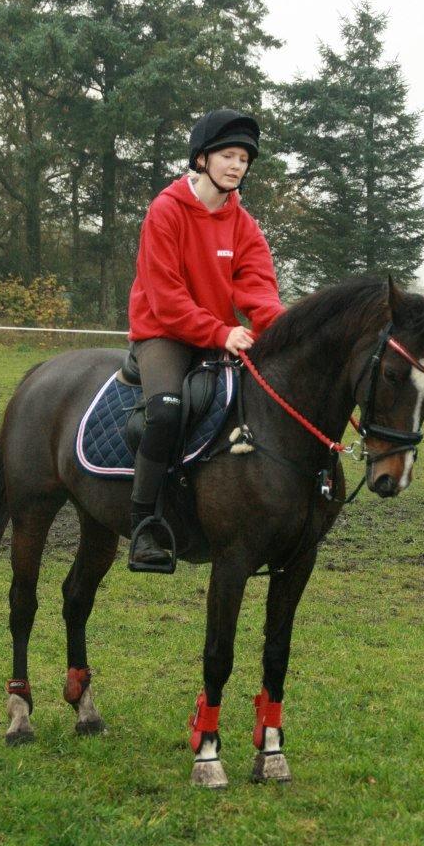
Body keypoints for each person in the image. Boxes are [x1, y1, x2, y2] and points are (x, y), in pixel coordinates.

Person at [127, 108, 286, 567]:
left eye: (244, 159)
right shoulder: (165, 211)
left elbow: (258, 288)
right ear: (201, 159)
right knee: (165, 410)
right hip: (164, 333)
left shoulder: (244, 225)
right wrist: (220, 331)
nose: (237, 166)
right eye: (228, 155)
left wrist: (285, 331)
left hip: (219, 335)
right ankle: (145, 525)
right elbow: (166, 297)